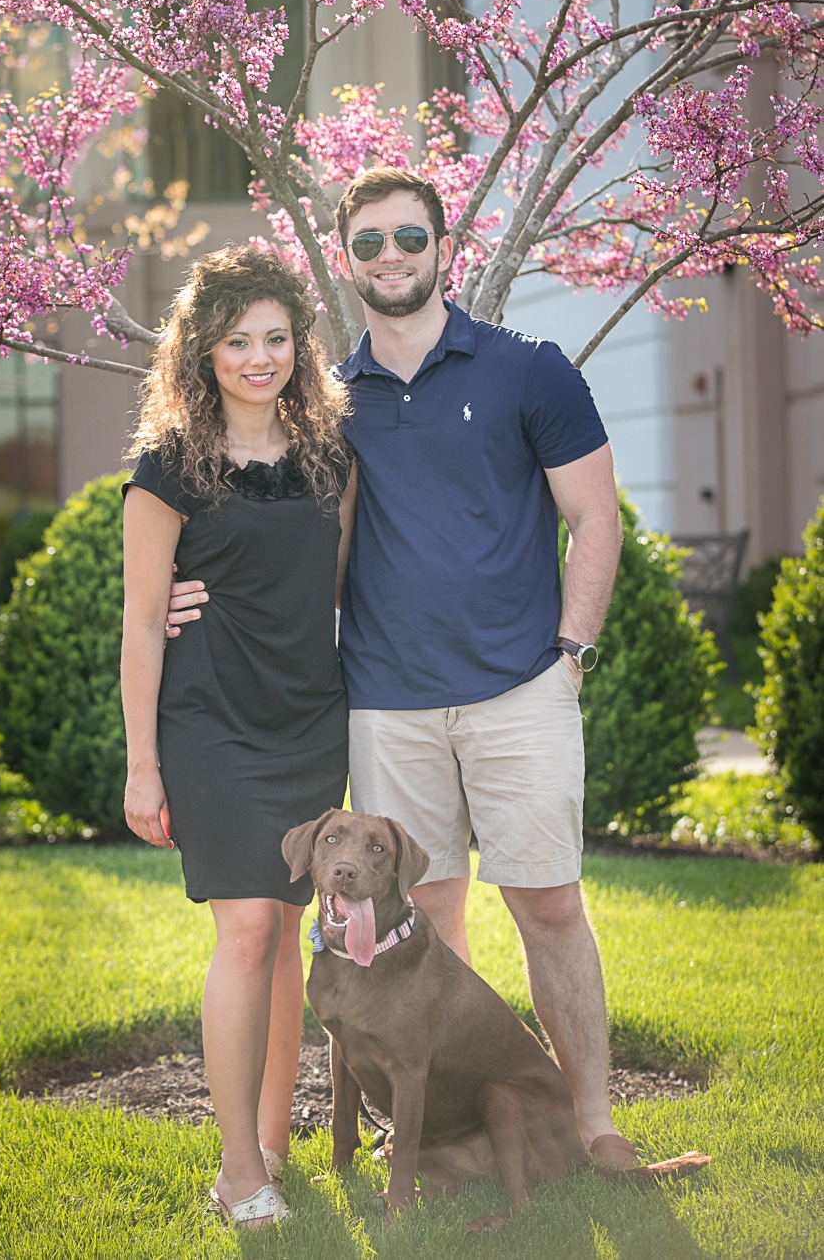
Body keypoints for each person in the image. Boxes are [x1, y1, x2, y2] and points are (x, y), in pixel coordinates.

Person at [168, 168, 639, 1172]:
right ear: (347, 260)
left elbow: (595, 515)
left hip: (521, 689)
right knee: (430, 915)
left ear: (443, 245)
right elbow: (284, 545)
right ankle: (442, 1130)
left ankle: (593, 1120)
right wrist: (185, 587)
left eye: (409, 238)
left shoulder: (531, 369)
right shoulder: (327, 407)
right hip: (385, 702)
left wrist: (572, 654)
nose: (392, 257)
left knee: (549, 900)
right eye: (370, 242)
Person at [121, 245, 356, 1228]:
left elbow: (332, 591)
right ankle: (235, 1170)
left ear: (300, 347)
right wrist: (142, 764)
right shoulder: (168, 466)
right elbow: (141, 618)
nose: (259, 358)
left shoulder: (332, 459)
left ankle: (272, 1141)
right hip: (209, 718)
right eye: (237, 342)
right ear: (203, 352)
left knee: (288, 931)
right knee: (248, 926)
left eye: (276, 339)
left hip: (309, 716)